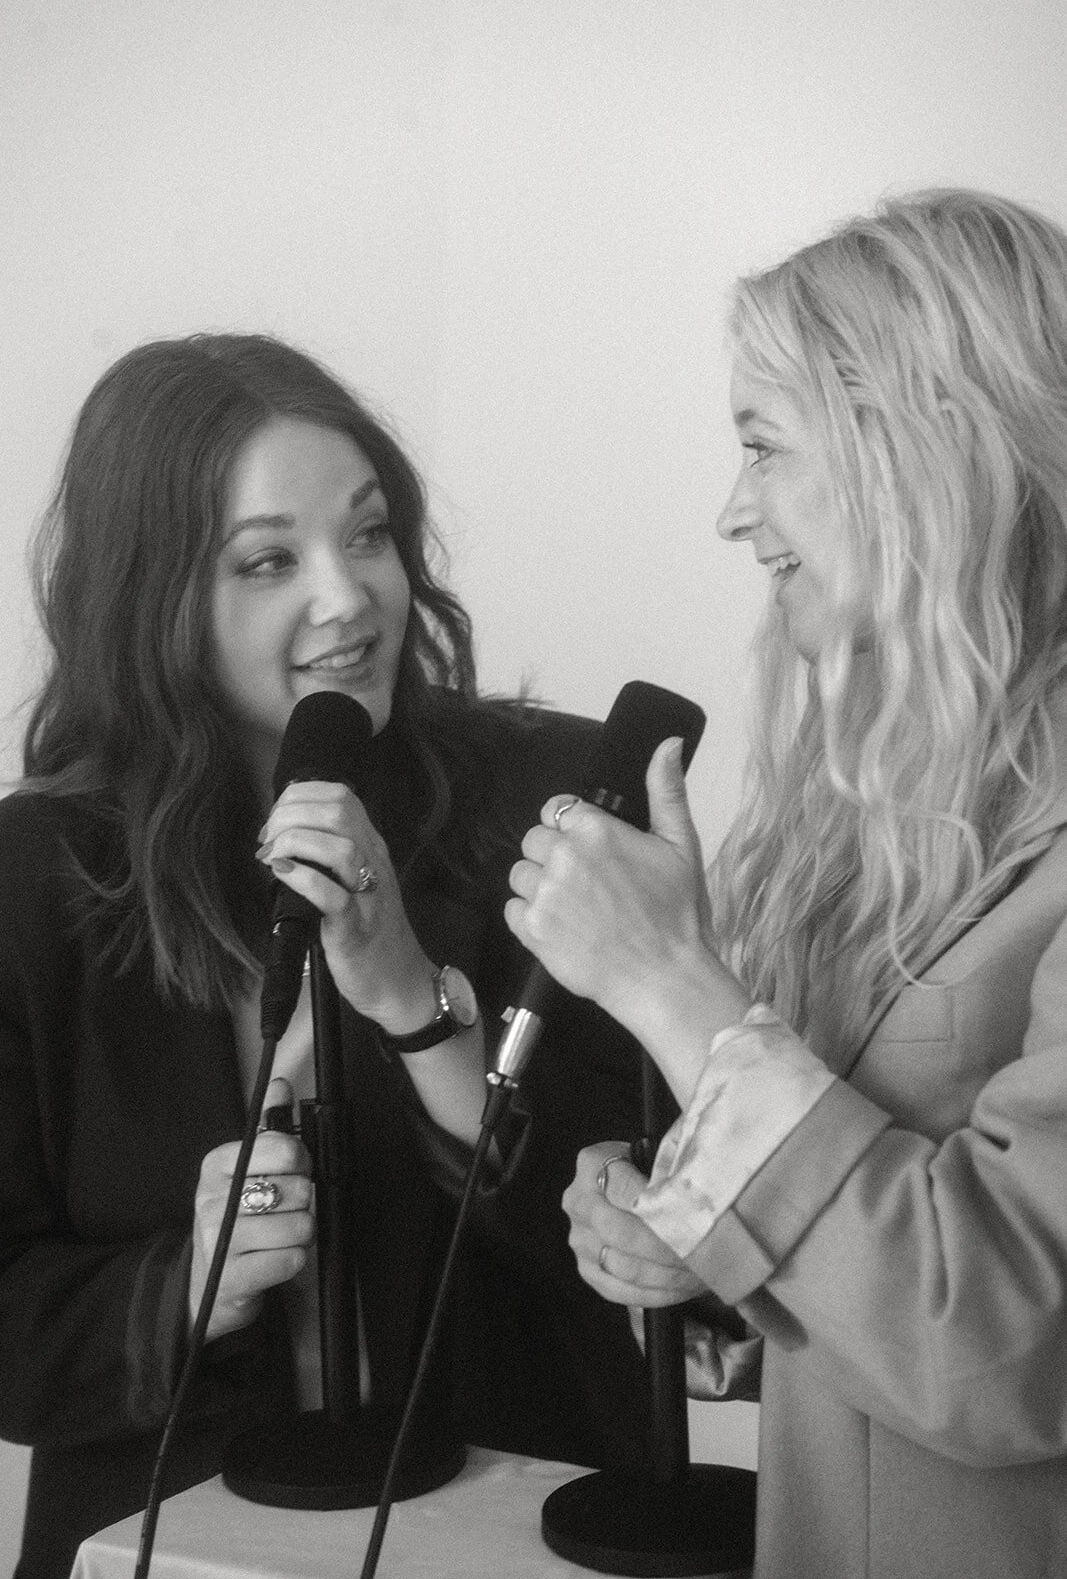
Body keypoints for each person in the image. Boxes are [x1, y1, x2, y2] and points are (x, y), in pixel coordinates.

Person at [0, 333, 653, 1579]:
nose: (349, 598)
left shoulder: (552, 803)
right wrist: (178, 1288)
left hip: (503, 1524)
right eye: (268, 561)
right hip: (168, 1537)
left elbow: (649, 1234)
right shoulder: (34, 876)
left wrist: (417, 1007)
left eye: (368, 535)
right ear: (148, 598)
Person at [506, 188, 1067, 1579]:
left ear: (920, 450)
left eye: (762, 445)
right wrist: (702, 1246)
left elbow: (1007, 1350)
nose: (730, 511)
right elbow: (870, 1262)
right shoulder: (902, 800)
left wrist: (668, 986)